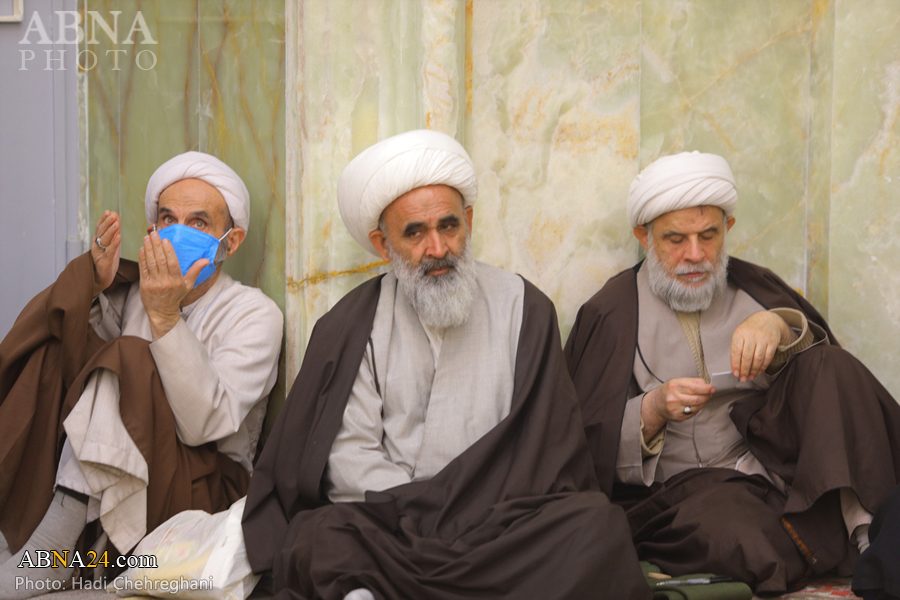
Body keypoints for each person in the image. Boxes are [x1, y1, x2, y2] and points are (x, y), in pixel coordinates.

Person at [242, 130, 649, 600]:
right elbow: (348, 456)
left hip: (500, 522)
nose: (437, 248)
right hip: (394, 522)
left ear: (468, 222)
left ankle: (380, 589)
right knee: (321, 539)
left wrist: (463, 513)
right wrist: (426, 513)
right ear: (382, 244)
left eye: (449, 226)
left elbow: (547, 452)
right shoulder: (352, 324)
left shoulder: (524, 306)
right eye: (415, 233)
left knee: (597, 527)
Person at [564, 150, 900, 594]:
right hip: (689, 493)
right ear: (643, 236)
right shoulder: (611, 314)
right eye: (675, 239)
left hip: (777, 469)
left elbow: (825, 387)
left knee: (832, 365)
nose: (696, 255)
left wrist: (778, 326)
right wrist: (653, 409)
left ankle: (872, 537)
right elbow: (583, 440)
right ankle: (837, 538)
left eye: (709, 235)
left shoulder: (756, 288)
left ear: (729, 228)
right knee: (739, 537)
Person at [0, 152, 283, 598]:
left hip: (201, 487)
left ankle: (52, 554)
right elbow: (77, 364)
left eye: (199, 222)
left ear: (231, 242)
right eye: (167, 219)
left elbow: (205, 426)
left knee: (129, 357)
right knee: (54, 352)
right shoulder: (134, 295)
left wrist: (165, 318)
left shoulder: (255, 313)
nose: (178, 232)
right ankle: (49, 544)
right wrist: (94, 281)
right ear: (152, 231)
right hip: (129, 480)